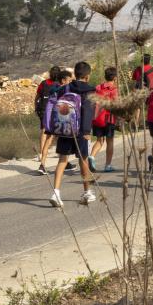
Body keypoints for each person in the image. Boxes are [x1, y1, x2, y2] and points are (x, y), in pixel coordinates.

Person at [49, 61, 96, 207]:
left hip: (64, 128)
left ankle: (56, 193)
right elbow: (88, 110)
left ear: (75, 74)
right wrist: (87, 131)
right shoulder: (89, 90)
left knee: (62, 160)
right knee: (83, 160)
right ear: (87, 76)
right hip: (81, 131)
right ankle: (87, 192)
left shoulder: (65, 88)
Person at [38, 69, 72, 174]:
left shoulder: (53, 88)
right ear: (63, 80)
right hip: (58, 118)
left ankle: (42, 164)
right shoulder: (63, 89)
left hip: (49, 118)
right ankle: (64, 162)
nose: (70, 82)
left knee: (49, 140)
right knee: (62, 139)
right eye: (69, 80)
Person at [89, 67, 118, 173]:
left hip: (97, 118)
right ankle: (108, 165)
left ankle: (91, 157)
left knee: (99, 140)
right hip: (108, 119)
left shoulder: (98, 87)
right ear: (115, 77)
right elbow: (116, 105)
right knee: (110, 141)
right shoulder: (114, 89)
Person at [35, 66, 59, 172]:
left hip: (43, 110)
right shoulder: (59, 85)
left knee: (44, 131)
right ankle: (62, 158)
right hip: (53, 111)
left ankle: (42, 153)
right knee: (52, 134)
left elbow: (37, 96)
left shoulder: (44, 83)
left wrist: (36, 107)